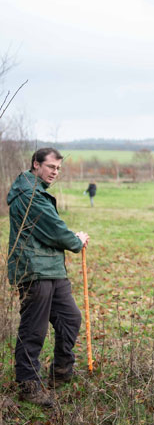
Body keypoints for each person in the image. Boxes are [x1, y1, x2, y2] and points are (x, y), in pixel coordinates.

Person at [7, 147, 90, 407]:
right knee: (34, 329)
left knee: (70, 318)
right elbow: (54, 231)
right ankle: (28, 385)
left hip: (53, 269)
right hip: (34, 270)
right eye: (51, 167)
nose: (55, 172)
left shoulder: (37, 191)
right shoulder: (29, 194)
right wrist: (75, 240)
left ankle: (61, 371)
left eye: (58, 169)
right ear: (36, 164)